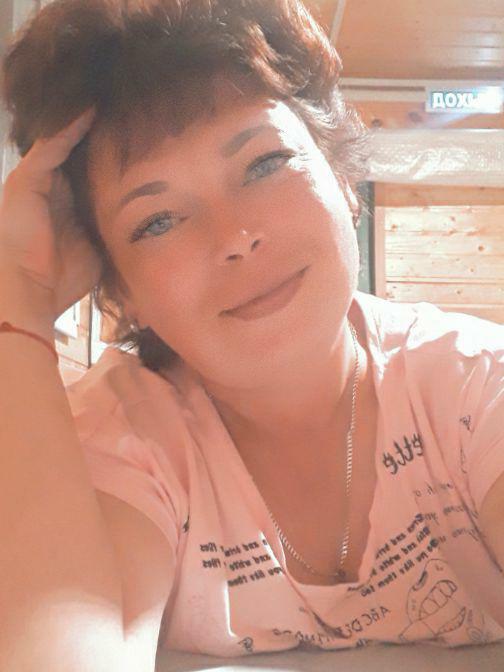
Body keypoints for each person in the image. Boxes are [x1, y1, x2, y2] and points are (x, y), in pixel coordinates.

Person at [0, 0, 503, 666]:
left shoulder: (472, 385)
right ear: (124, 292)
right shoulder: (123, 438)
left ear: (343, 181)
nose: (234, 238)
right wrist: (19, 303)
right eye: (157, 221)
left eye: (264, 164)